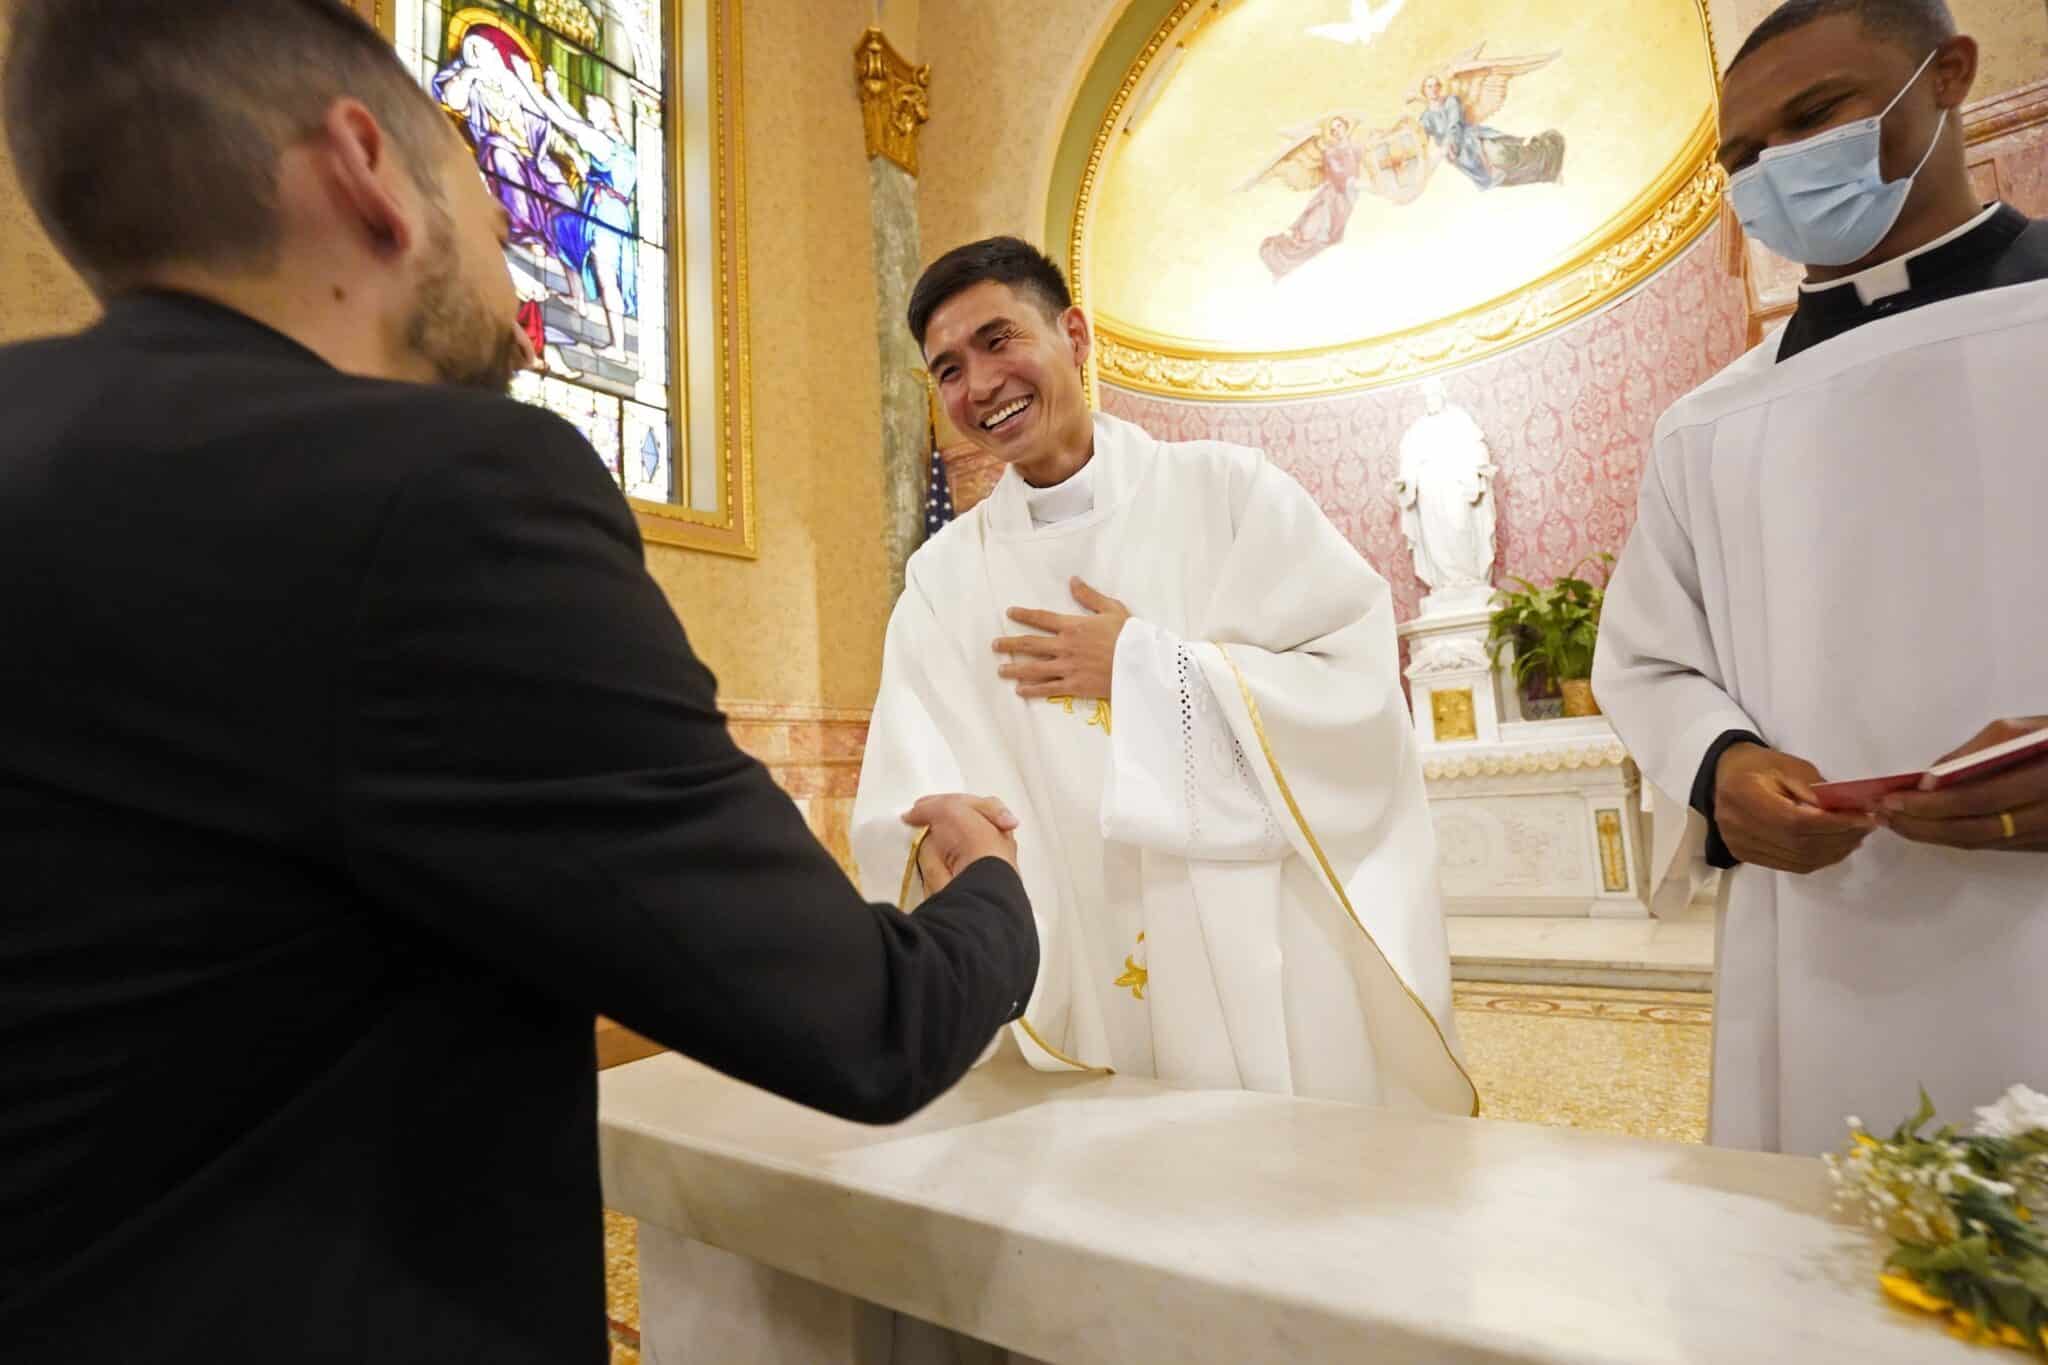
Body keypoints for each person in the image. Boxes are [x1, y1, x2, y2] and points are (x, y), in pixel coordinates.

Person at [0, 3, 1037, 1361]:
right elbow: (864, 1024)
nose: (516, 259)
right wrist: (993, 894)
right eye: (484, 192)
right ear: (369, 170)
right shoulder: (443, 493)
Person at [1593, 0, 2048, 1156]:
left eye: (1816, 116)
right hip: (1827, 936)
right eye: (1742, 157)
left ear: (1946, 76)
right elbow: (1646, 655)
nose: (1777, 170)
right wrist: (1721, 766)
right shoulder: (1707, 423)